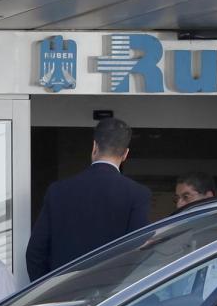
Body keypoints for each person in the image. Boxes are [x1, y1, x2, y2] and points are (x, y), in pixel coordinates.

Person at [25, 117, 151, 281]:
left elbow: (35, 252)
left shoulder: (58, 191)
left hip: (61, 295)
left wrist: (45, 292)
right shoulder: (138, 194)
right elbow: (137, 252)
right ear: (125, 154)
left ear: (94, 147)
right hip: (110, 299)